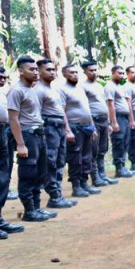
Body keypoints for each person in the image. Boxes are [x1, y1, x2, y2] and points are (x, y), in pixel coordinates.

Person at [7, 57, 57, 222]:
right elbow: (13, 119)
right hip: (27, 135)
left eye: (36, 69)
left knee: (39, 173)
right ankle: (29, 210)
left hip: (39, 135)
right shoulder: (17, 91)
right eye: (31, 69)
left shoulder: (32, 90)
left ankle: (36, 208)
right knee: (28, 173)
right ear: (21, 71)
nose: (36, 72)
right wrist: (20, 144)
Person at [35, 59, 76, 210]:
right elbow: (36, 113)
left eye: (53, 70)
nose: (52, 72)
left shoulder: (54, 89)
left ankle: (57, 195)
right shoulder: (38, 90)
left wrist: (66, 129)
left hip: (59, 127)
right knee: (50, 161)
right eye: (48, 70)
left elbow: (60, 111)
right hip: (49, 128)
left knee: (60, 161)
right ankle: (53, 194)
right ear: (38, 71)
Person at [58, 64, 101, 199]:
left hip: (87, 127)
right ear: (64, 74)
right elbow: (62, 111)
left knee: (87, 157)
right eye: (71, 72)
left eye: (76, 72)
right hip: (74, 127)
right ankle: (76, 186)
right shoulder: (62, 90)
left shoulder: (80, 89)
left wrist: (93, 127)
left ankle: (84, 183)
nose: (75, 75)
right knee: (75, 157)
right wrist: (68, 130)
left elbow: (87, 110)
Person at [81, 61, 117, 187]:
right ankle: (95, 178)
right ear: (85, 71)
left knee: (103, 149)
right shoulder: (83, 87)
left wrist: (109, 123)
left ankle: (103, 175)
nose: (94, 72)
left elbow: (104, 104)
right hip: (93, 120)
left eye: (96, 70)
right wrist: (91, 126)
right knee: (93, 150)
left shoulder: (99, 86)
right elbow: (85, 107)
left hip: (103, 120)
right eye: (91, 70)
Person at [0, 65, 26, 237]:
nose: (2, 79)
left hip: (2, 133)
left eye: (4, 76)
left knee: (3, 176)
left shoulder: (3, 92)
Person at [105, 65, 135, 179]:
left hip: (125, 118)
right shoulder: (110, 86)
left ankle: (123, 166)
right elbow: (110, 104)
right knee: (118, 143)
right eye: (119, 73)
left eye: (123, 73)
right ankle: (119, 168)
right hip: (118, 118)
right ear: (113, 73)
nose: (122, 75)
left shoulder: (120, 87)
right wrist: (114, 122)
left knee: (125, 143)